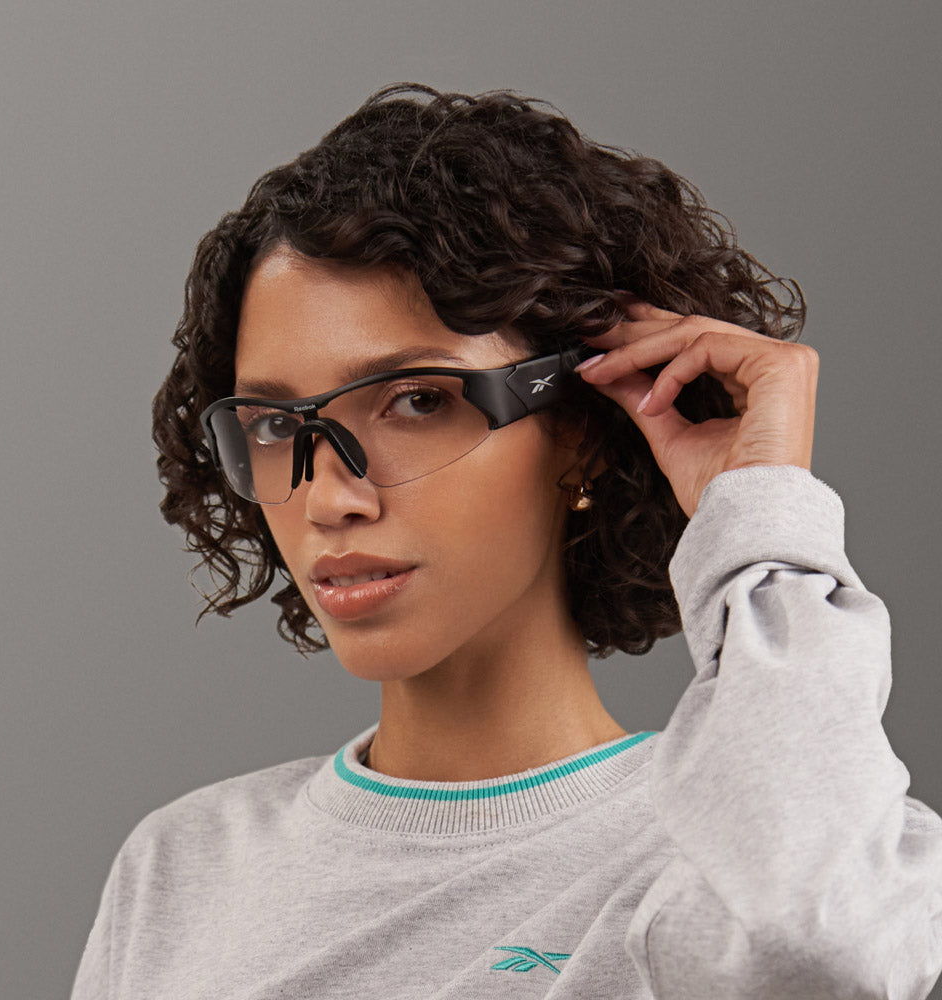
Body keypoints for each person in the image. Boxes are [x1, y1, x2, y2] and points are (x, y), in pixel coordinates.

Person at [72, 84, 942, 999]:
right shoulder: (181, 865)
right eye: (279, 426)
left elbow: (814, 950)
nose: (329, 496)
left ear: (579, 432)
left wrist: (761, 507)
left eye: (417, 401)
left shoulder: (769, 852)